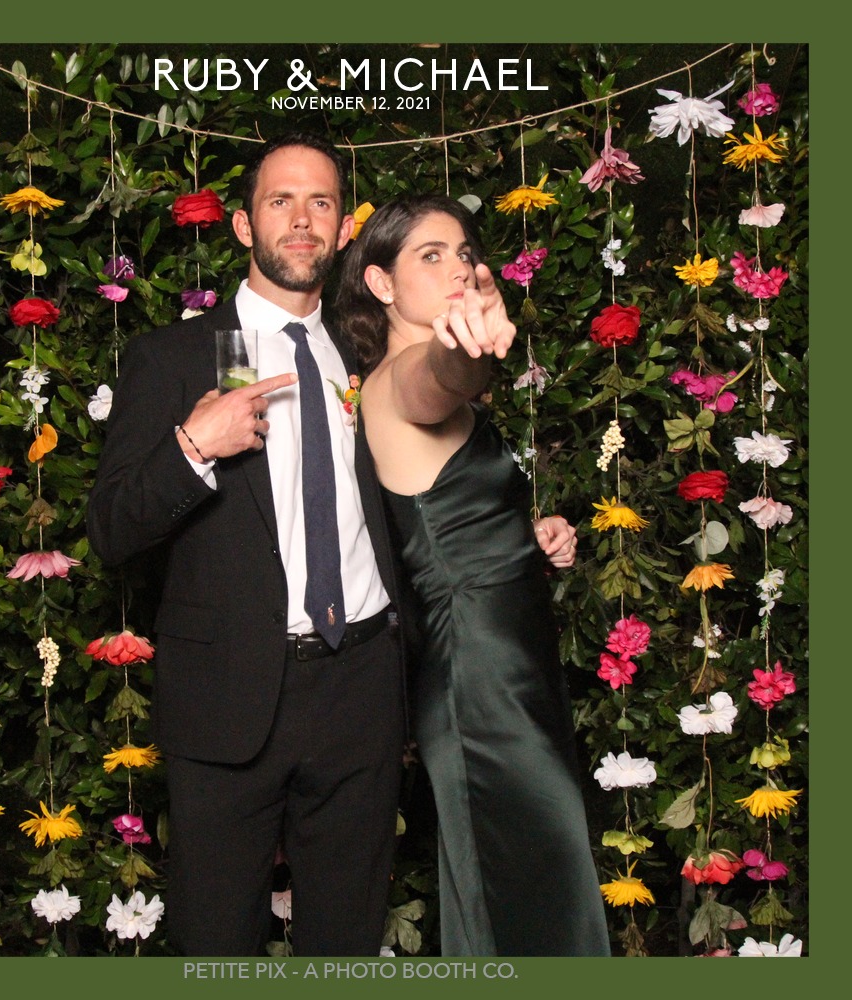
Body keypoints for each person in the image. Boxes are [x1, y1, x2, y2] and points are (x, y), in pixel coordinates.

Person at [87, 132, 406, 956]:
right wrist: (192, 446)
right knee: (217, 942)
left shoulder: (373, 353)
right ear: (242, 225)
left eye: (321, 202)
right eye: (279, 201)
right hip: (227, 694)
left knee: (346, 943)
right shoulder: (172, 358)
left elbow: (421, 493)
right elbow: (111, 529)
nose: (301, 220)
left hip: (362, 689)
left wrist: (518, 531)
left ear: (344, 228)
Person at [336, 194, 611, 957]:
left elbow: (443, 515)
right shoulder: (399, 379)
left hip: (511, 662)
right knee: (532, 897)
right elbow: (440, 377)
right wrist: (467, 353)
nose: (458, 267)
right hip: (479, 676)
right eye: (430, 256)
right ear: (381, 283)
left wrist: (523, 536)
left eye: (463, 253)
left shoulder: (421, 386)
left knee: (534, 882)